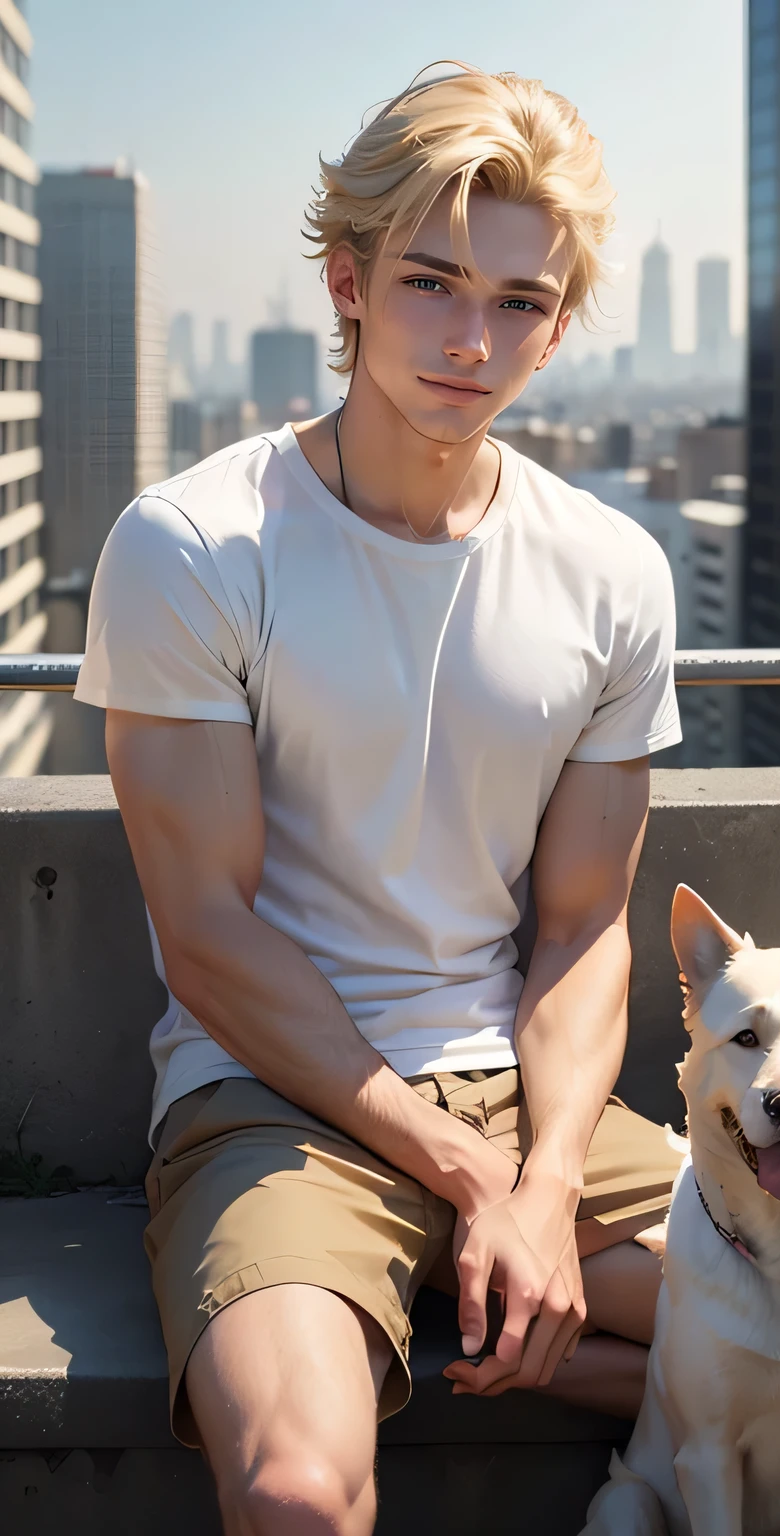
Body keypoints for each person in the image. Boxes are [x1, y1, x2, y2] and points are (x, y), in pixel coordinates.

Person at [74, 60, 684, 1536]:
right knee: (295, 1489)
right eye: (429, 282)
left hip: (529, 1107)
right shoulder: (197, 545)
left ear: (560, 323)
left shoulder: (611, 573)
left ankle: (488, 1325)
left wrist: (535, 1187)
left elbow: (584, 930)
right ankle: (476, 1308)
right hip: (271, 1093)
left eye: (521, 304)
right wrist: (470, 1179)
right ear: (347, 280)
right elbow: (209, 938)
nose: (472, 341)